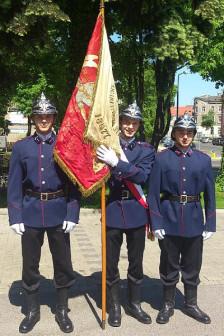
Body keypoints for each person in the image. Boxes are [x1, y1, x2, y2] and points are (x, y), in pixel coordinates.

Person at [7, 93, 80, 334]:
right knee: (30, 265)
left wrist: (72, 212)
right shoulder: (21, 148)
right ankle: (32, 311)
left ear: (54, 118)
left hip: (59, 210)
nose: (44, 119)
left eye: (48, 115)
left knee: (62, 263)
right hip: (29, 212)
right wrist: (15, 216)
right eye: (39, 115)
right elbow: (14, 184)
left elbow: (74, 182)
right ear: (34, 118)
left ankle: (62, 310)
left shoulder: (65, 145)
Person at [148, 114, 216, 325]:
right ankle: (167, 304)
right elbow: (153, 194)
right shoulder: (161, 158)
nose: (184, 136)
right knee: (168, 265)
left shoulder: (203, 160)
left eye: (188, 133)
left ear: (193, 134)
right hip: (169, 217)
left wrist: (210, 223)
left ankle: (191, 303)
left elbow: (210, 195)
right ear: (174, 134)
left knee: (192, 265)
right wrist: (156, 223)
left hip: (195, 219)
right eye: (180, 132)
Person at [96, 102, 155, 327]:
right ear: (120, 122)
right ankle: (114, 306)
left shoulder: (146, 150)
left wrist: (116, 162)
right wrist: (105, 160)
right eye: (126, 121)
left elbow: (142, 178)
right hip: (112, 210)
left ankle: (134, 303)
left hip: (136, 211)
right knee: (110, 263)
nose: (129, 126)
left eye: (134, 122)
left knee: (135, 262)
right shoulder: (107, 146)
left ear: (139, 125)